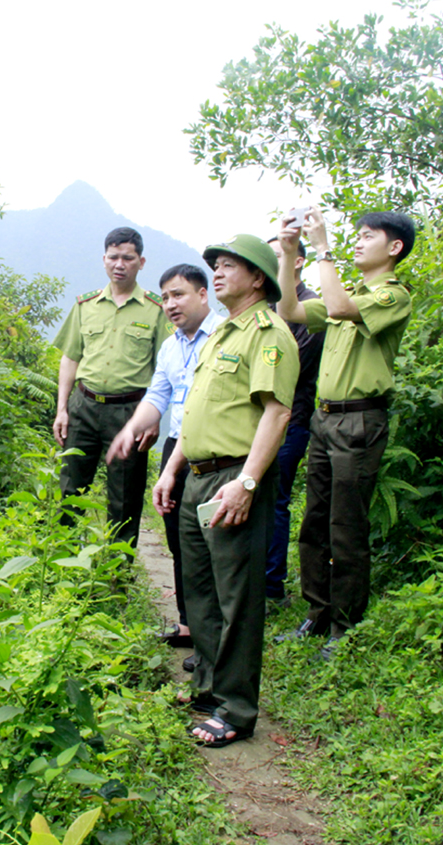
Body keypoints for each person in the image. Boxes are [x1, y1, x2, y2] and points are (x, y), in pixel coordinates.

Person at [153, 235, 298, 747]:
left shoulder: (268, 332)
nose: (216, 272)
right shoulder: (221, 334)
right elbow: (196, 409)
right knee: (202, 591)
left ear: (257, 277)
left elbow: (277, 413)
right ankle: (208, 687)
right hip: (196, 474)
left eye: (228, 266)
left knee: (236, 596)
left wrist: (247, 483)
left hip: (233, 477)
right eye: (214, 265)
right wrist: (172, 469)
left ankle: (236, 709)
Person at [273, 208, 416, 659]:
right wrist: (289, 253)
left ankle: (345, 628)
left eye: (367, 236)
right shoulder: (347, 290)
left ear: (394, 248)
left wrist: (322, 249)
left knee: (345, 527)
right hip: (325, 418)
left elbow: (338, 309)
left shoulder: (393, 295)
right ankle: (316, 614)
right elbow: (289, 309)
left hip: (360, 420)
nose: (357, 242)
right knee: (314, 522)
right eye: (355, 236)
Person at [107, 264, 220, 648]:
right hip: (177, 444)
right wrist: (131, 429)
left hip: (215, 449)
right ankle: (189, 624)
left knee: (211, 542)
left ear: (203, 294)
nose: (171, 304)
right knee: (178, 537)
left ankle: (214, 634)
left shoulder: (223, 337)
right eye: (166, 296)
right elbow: (158, 395)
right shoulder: (172, 345)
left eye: (179, 294)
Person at [52, 227, 173, 548]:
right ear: (104, 260)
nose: (120, 264)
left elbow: (166, 369)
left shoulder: (155, 309)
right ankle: (62, 561)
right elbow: (70, 359)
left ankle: (117, 575)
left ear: (141, 262)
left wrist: (154, 417)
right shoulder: (85, 305)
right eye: (114, 257)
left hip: (130, 412)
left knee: (125, 496)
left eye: (128, 258)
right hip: (83, 406)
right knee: (71, 486)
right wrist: (62, 408)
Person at [264, 238, 325, 610]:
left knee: (275, 500)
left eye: (280, 255)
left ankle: (272, 589)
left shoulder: (311, 305)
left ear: (299, 260)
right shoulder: (267, 306)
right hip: (257, 418)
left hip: (291, 417)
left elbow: (294, 367)